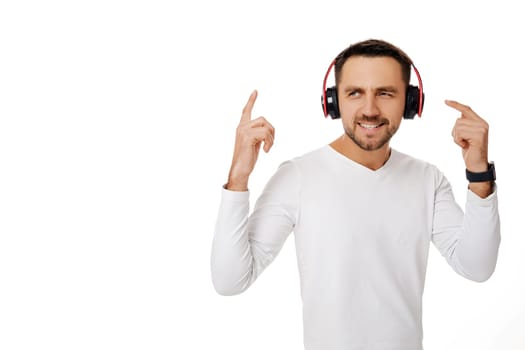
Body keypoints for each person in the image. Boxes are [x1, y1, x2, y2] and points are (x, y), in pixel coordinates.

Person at [210, 39, 500, 350]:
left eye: (386, 93)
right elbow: (230, 281)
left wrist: (479, 173)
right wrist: (238, 178)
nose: (370, 110)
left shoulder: (427, 179)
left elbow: (476, 266)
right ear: (333, 102)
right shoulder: (297, 176)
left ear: (411, 102)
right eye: (354, 93)